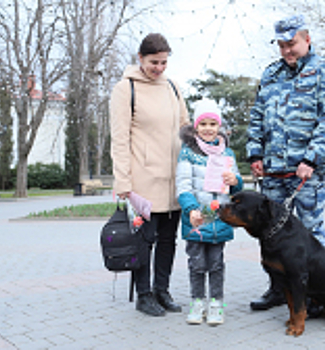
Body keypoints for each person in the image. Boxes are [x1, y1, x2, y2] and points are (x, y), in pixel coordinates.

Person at [246, 14, 325, 311]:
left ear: (307, 39)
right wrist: (255, 154)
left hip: (307, 172)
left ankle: (316, 295)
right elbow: (256, 116)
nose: (287, 50)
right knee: (271, 234)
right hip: (274, 172)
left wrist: (311, 159)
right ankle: (279, 289)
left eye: (291, 44)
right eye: (281, 45)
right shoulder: (271, 74)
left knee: (308, 235)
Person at [110, 33, 189, 316]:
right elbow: (119, 139)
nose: (159, 68)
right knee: (145, 239)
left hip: (174, 178)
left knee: (169, 240)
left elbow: (185, 127)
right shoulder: (125, 89)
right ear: (140, 58)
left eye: (164, 62)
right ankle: (144, 294)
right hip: (144, 179)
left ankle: (162, 291)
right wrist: (123, 182)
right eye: (154, 62)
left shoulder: (173, 87)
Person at [176, 99, 244, 326]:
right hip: (196, 218)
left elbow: (236, 189)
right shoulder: (187, 153)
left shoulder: (228, 154)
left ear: (219, 127)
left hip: (220, 218)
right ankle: (197, 302)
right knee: (196, 264)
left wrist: (236, 181)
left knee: (216, 264)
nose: (208, 128)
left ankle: (217, 304)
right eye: (203, 123)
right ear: (196, 127)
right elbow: (183, 186)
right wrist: (191, 209)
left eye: (212, 124)